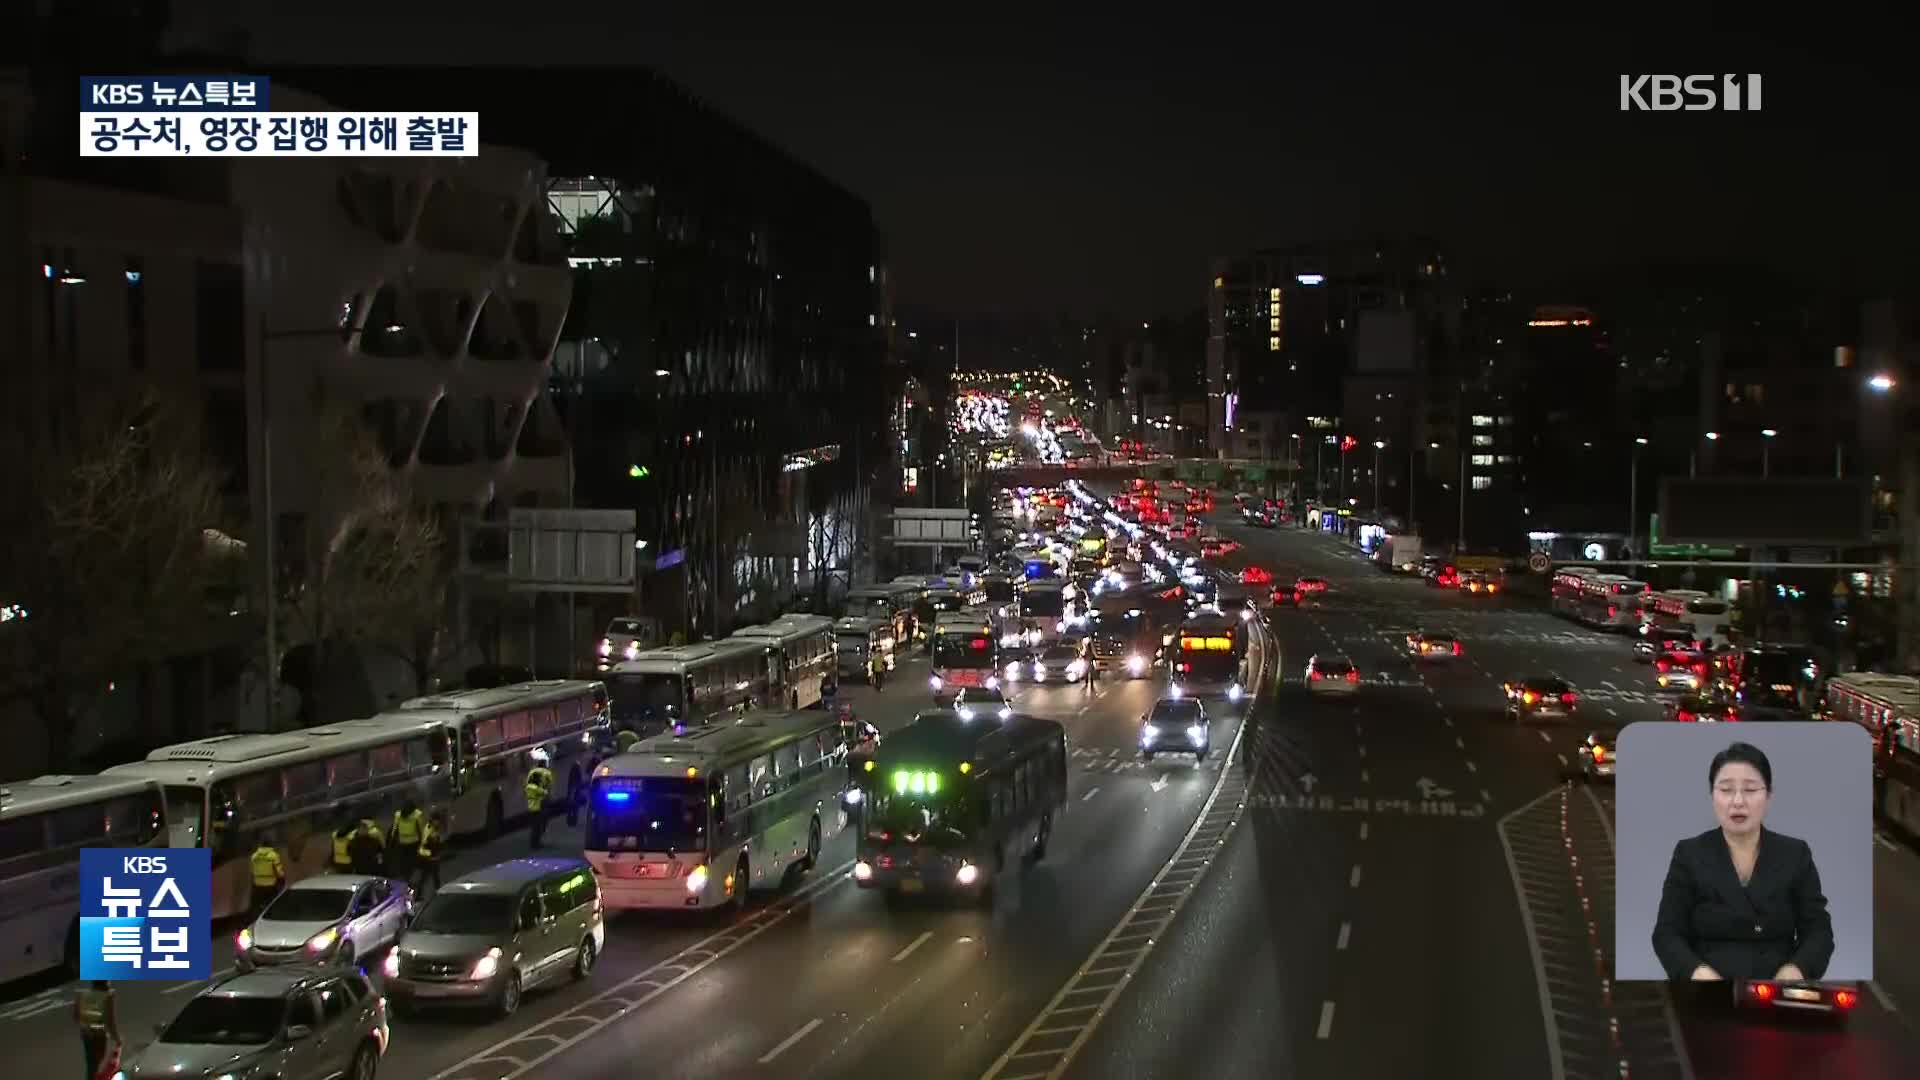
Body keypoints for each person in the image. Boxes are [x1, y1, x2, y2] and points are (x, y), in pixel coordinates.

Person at [1651, 741, 1834, 983]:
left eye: (1750, 790)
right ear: (1712, 795)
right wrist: (1696, 972)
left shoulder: (1795, 853)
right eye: (1726, 790)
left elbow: (1819, 931)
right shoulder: (1689, 853)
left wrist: (1796, 969)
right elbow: (1667, 932)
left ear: (1768, 796)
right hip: (1706, 993)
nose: (1738, 801)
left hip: (1776, 990)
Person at [73, 979, 118, 1080]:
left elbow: (76, 1016)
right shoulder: (108, 996)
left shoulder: (83, 995)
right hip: (99, 1035)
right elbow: (110, 1021)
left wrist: (86, 1026)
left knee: (91, 1065)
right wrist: (117, 1038)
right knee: (96, 1063)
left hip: (86, 1034)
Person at [247, 835, 286, 921]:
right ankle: (270, 919)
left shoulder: (254, 856)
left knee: (257, 904)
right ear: (270, 846)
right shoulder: (273, 855)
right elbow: (278, 869)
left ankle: (255, 919)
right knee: (272, 903)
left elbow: (252, 870)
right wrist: (282, 877)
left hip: (258, 884)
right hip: (270, 883)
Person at [525, 749, 555, 849]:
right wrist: (548, 796)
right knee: (541, 822)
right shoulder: (547, 773)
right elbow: (548, 787)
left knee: (534, 823)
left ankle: (533, 842)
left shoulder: (531, 772)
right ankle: (536, 842)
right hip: (542, 801)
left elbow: (528, 785)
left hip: (532, 801)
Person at [389, 800, 425, 883]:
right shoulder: (400, 815)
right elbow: (395, 827)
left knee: (408, 862)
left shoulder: (415, 814)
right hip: (408, 842)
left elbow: (395, 828)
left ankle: (408, 878)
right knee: (408, 862)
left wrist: (392, 839)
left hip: (409, 842)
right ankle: (409, 878)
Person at [414, 812, 446, 897]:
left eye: (439, 821)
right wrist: (429, 854)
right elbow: (422, 846)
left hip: (434, 858)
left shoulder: (436, 828)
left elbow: (438, 842)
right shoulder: (428, 829)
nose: (438, 823)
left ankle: (439, 892)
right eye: (437, 821)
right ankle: (418, 896)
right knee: (424, 878)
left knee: (435, 876)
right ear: (433, 820)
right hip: (428, 859)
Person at [349, 811, 386, 876]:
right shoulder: (374, 838)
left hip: (361, 866)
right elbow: (382, 848)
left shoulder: (353, 841)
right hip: (370, 866)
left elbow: (349, 851)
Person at [329, 806, 358, 872]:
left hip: (338, 862)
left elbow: (333, 849)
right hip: (348, 863)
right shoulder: (352, 834)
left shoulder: (335, 834)